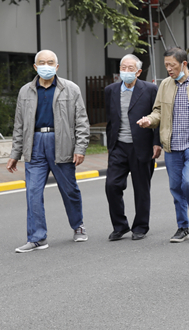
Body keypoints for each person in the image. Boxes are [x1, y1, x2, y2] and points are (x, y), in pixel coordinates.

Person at [7, 50, 90, 252]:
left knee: (69, 190)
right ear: (35, 67)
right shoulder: (25, 91)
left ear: (57, 66)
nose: (46, 66)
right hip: (35, 144)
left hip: (62, 143)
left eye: (50, 62)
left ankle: (78, 225)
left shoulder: (71, 89)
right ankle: (37, 238)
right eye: (42, 62)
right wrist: (15, 154)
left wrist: (80, 148)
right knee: (33, 192)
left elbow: (81, 121)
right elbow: (19, 125)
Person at [137, 47, 189, 243]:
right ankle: (182, 227)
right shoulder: (165, 85)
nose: (169, 69)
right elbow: (158, 111)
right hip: (171, 146)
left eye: (172, 65)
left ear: (184, 64)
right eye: (166, 66)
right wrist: (149, 120)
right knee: (176, 187)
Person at [104, 55, 162, 241]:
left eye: (130, 68)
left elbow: (157, 116)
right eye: (123, 67)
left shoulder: (150, 89)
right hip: (118, 146)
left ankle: (140, 226)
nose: (126, 71)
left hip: (142, 146)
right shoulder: (111, 90)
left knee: (141, 188)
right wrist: (110, 145)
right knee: (112, 185)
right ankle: (120, 226)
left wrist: (157, 142)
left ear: (138, 72)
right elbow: (110, 119)